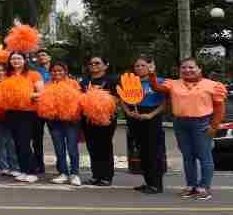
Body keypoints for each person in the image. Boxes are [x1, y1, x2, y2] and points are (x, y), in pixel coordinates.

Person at [149, 58, 228, 200]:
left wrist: (214, 126)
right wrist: (152, 74)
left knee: (205, 157)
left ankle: (204, 187)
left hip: (202, 123)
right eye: (184, 67)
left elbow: (219, 108)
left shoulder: (212, 85)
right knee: (187, 156)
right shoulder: (173, 83)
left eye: (191, 67)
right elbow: (157, 88)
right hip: (180, 123)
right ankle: (191, 186)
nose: (187, 70)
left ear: (199, 69)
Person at [123, 56, 166, 195]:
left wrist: (152, 115)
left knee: (154, 151)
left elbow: (166, 101)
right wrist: (128, 112)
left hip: (152, 117)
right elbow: (122, 98)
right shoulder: (131, 82)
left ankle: (156, 184)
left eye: (142, 65)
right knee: (142, 151)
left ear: (150, 66)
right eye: (137, 66)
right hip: (135, 117)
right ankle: (148, 182)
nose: (139, 68)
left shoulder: (159, 81)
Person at [79, 55, 119, 187]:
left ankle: (106, 176)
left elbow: (119, 99)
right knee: (92, 147)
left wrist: (103, 104)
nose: (93, 66)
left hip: (106, 119)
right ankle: (96, 175)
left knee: (105, 147)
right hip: (88, 119)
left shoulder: (112, 80)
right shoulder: (85, 82)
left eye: (97, 63)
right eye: (91, 64)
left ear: (106, 65)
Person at [2, 51, 42, 183]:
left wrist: (26, 95)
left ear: (25, 60)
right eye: (13, 59)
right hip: (12, 112)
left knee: (24, 142)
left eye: (19, 58)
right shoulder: (8, 75)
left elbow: (41, 93)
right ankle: (23, 170)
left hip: (28, 113)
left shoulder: (33, 74)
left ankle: (32, 171)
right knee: (17, 143)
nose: (15, 61)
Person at [45, 60, 82, 186]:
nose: (57, 73)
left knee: (72, 148)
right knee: (59, 149)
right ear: (51, 72)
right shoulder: (48, 84)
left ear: (65, 72)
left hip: (71, 121)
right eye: (54, 71)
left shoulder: (73, 83)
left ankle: (75, 174)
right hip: (54, 122)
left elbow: (79, 100)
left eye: (60, 70)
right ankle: (63, 173)